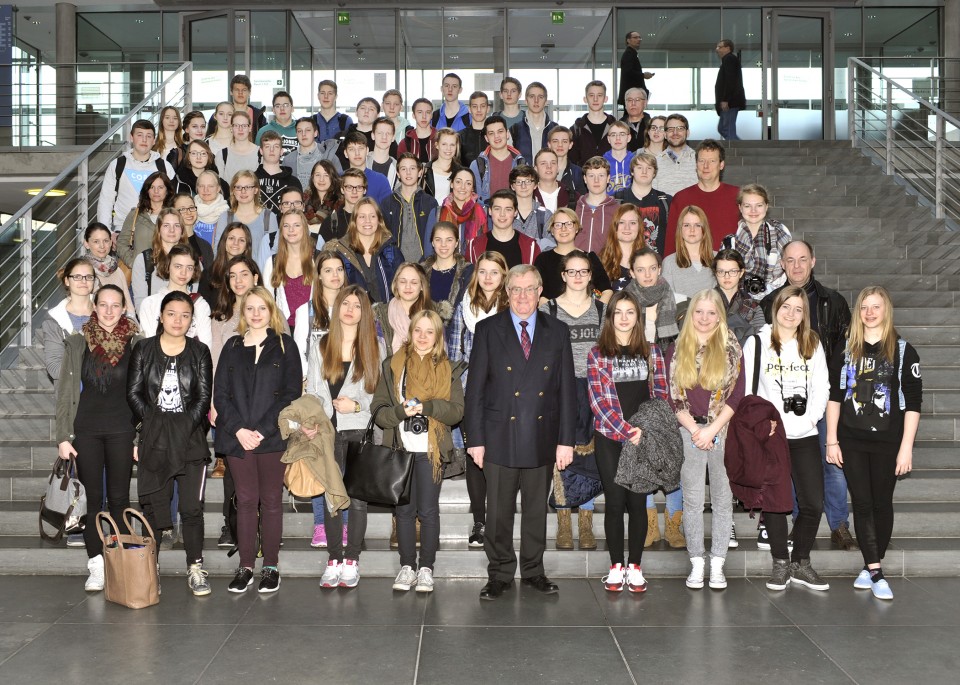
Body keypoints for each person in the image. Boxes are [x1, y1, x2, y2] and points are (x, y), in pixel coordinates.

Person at [465, 264, 577, 600]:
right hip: (499, 435)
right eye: (516, 289)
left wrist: (566, 440)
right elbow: (475, 392)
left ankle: (533, 571)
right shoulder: (488, 329)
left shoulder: (557, 331)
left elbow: (566, 390)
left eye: (529, 289)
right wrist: (476, 440)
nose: (523, 296)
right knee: (497, 512)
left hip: (541, 435)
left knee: (534, 511)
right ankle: (499, 573)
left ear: (540, 292)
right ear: (507, 292)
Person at [826, 286, 922, 600]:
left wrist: (906, 446)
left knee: (882, 504)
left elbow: (913, 403)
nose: (869, 312)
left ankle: (870, 567)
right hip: (851, 439)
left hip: (887, 441)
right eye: (864, 307)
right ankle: (877, 571)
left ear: (886, 310)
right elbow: (835, 398)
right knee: (863, 503)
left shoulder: (904, 350)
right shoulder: (845, 349)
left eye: (876, 306)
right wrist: (831, 440)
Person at [761, 240, 856, 549]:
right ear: (783, 264)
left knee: (832, 465)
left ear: (813, 261)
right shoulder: (771, 302)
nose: (797, 266)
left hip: (825, 400)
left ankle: (839, 525)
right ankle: (801, 525)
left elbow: (846, 354)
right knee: (793, 468)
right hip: (785, 402)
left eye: (803, 259)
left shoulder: (835, 302)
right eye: (791, 260)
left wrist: (834, 396)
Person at [743, 286, 830, 592]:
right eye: (786, 307)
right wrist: (762, 424)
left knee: (812, 503)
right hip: (772, 436)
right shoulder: (757, 343)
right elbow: (748, 392)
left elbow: (823, 387)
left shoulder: (812, 342)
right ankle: (780, 563)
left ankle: (800, 562)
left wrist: (808, 419)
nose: (791, 314)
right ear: (776, 307)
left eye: (798, 309)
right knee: (775, 504)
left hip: (805, 434)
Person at [214, 287, 301, 593]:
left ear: (271, 310)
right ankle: (246, 566)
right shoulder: (232, 346)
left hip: (271, 436)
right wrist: (239, 430)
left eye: (261, 308)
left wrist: (262, 430)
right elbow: (220, 395)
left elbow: (292, 394)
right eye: (249, 308)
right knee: (247, 501)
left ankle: (272, 566)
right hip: (237, 438)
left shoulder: (285, 345)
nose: (255, 313)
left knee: (272, 502)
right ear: (243, 312)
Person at [127, 290, 213, 596]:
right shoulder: (143, 349)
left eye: (185, 315)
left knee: (191, 509)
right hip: (154, 438)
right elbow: (134, 393)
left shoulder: (200, 352)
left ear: (192, 320)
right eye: (172, 314)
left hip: (190, 439)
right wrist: (153, 425)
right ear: (161, 316)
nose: (178, 320)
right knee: (151, 507)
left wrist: (181, 427)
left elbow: (203, 398)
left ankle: (195, 567)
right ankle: (150, 569)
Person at [55, 285, 140, 591]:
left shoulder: (137, 343)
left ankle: (121, 563)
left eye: (114, 305)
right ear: (94, 306)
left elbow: (145, 394)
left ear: (123, 309)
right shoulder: (79, 342)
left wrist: (139, 438)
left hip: (122, 430)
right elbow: (64, 392)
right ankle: (97, 566)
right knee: (94, 502)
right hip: (87, 430)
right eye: (102, 304)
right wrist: (63, 435)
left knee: (120, 500)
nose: (108, 311)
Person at [375, 310, 466, 593]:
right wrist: (401, 412)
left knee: (427, 511)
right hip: (400, 449)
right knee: (403, 512)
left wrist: (427, 408)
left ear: (438, 336)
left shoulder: (449, 369)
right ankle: (406, 566)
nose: (423, 337)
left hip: (431, 451)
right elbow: (378, 411)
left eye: (430, 331)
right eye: (418, 330)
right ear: (410, 332)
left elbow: (456, 413)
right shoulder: (393, 366)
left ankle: (426, 568)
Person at [588, 290, 669, 591]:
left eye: (630, 312)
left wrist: (644, 430)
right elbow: (598, 403)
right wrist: (627, 431)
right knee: (615, 501)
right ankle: (615, 566)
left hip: (643, 437)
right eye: (618, 312)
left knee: (638, 503)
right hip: (610, 437)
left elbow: (661, 396)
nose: (623, 318)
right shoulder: (597, 354)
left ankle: (635, 565)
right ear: (610, 317)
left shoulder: (653, 353)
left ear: (638, 317)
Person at [667, 289, 743, 591]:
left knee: (724, 500)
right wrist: (696, 431)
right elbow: (673, 397)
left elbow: (738, 394)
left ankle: (717, 564)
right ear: (691, 313)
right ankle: (697, 562)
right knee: (694, 501)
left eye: (711, 312)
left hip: (723, 430)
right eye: (699, 311)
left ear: (719, 316)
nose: (704, 318)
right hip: (689, 431)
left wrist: (712, 430)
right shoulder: (677, 347)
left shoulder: (732, 347)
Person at [310, 286, 386, 588]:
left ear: (364, 311)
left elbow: (382, 394)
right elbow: (314, 390)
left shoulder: (376, 345)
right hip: (327, 430)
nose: (350, 309)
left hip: (359, 428)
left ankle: (352, 560)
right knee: (332, 498)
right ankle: (334, 559)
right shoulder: (320, 344)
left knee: (356, 500)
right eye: (346, 303)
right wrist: (313, 418)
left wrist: (358, 404)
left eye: (357, 304)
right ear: (337, 307)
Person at [540, 250, 607, 550]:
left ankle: (587, 522)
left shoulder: (604, 310)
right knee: (563, 455)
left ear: (591, 275)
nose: (578, 277)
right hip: (562, 391)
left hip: (596, 391)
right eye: (572, 271)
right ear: (563, 275)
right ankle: (564, 521)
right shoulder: (548, 310)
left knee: (591, 458)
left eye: (584, 271)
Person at [620, 247, 683, 547]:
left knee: (670, 452)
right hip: (636, 384)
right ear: (631, 272)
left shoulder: (670, 296)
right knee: (643, 453)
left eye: (652, 268)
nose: (647, 274)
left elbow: (679, 344)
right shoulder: (624, 304)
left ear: (660, 269)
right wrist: (648, 323)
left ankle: (674, 523)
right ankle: (648, 524)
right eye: (640, 269)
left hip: (667, 378)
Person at [447, 252, 509, 548]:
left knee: (499, 458)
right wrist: (459, 395)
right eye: (482, 271)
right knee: (476, 455)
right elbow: (453, 356)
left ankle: (499, 520)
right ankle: (479, 521)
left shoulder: (511, 307)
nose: (487, 277)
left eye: (494, 272)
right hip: (471, 392)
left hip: (504, 395)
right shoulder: (463, 308)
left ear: (503, 276)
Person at [209, 254, 261, 538]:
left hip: (263, 404)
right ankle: (233, 525)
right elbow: (215, 362)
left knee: (262, 468)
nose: (239, 280)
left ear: (255, 277)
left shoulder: (269, 312)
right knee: (233, 468)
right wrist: (215, 402)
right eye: (233, 275)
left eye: (244, 274)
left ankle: (260, 526)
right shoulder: (220, 317)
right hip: (230, 402)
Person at [97, 119, 174, 234]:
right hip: (123, 230)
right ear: (131, 137)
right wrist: (106, 233)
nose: (144, 140)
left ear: (154, 140)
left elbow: (172, 199)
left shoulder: (164, 167)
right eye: (140, 135)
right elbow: (106, 200)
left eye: (149, 136)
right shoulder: (117, 165)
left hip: (157, 230)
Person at [666, 140, 740, 252]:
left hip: (727, 266)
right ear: (696, 164)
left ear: (721, 165)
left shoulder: (737, 196)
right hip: (690, 266)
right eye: (701, 161)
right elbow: (671, 241)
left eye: (712, 161)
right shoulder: (681, 198)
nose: (706, 166)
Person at [326, 197, 404, 303]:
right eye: (362, 216)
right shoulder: (342, 254)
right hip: (355, 316)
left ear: (379, 220)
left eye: (372, 216)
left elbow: (403, 289)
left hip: (388, 316)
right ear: (354, 221)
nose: (367, 221)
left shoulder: (391, 252)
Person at [723, 184, 791, 300]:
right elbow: (724, 277)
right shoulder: (729, 242)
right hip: (738, 302)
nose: (753, 211)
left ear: (766, 206)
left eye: (759, 205)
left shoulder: (781, 233)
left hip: (776, 299)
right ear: (740, 207)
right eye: (747, 206)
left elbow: (789, 268)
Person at [137, 244, 213, 347]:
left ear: (194, 270)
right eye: (178, 266)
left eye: (189, 268)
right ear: (168, 266)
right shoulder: (150, 303)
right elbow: (148, 346)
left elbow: (205, 347)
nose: (183, 272)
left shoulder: (200, 305)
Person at [534, 208, 612, 302]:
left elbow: (607, 291)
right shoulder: (543, 259)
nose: (563, 229)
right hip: (551, 315)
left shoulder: (589, 258)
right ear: (552, 230)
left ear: (576, 228)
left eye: (569, 224)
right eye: (558, 225)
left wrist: (595, 313)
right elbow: (540, 295)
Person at [261, 210, 316, 328]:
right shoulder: (272, 263)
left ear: (305, 229)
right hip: (282, 330)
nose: (291, 230)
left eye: (296, 225)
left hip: (312, 329)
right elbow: (267, 302)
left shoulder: (318, 260)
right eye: (286, 226)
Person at [43, 259, 96, 382]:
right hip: (72, 395)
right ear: (67, 281)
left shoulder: (107, 312)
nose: (83, 281)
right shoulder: (55, 319)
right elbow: (55, 369)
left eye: (88, 277)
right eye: (77, 277)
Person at [382, 152, 439, 262]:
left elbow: (435, 235)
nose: (408, 172)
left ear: (420, 172)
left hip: (425, 265)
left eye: (412, 168)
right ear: (398, 174)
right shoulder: (387, 203)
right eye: (403, 169)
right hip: (396, 265)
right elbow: (383, 237)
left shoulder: (430, 203)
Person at [130, 208, 189, 308]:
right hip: (152, 320)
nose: (172, 230)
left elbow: (194, 300)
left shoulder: (192, 261)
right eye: (166, 225)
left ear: (182, 230)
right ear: (159, 229)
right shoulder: (143, 260)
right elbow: (140, 303)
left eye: (177, 225)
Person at [214, 170, 275, 267]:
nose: (243, 191)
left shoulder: (268, 217)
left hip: (260, 276)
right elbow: (218, 251)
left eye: (248, 187)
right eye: (238, 187)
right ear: (233, 191)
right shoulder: (225, 217)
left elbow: (274, 252)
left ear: (256, 190)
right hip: (230, 275)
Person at [615, 152, 672, 256]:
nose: (644, 171)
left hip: (657, 264)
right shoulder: (617, 200)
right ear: (632, 171)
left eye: (649, 168)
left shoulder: (666, 201)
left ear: (654, 173)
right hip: (624, 262)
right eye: (639, 167)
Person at [465, 189, 540, 267]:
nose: (502, 214)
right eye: (497, 209)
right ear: (490, 211)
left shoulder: (530, 246)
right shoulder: (474, 246)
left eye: (508, 209)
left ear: (515, 212)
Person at [421, 222, 474, 329]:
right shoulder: (420, 271)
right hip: (426, 331)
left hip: (457, 335)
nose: (443, 244)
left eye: (449, 240)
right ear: (432, 242)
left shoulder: (468, 272)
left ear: (456, 243)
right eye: (438, 240)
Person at [374, 262, 434, 355]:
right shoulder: (381, 315)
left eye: (414, 282)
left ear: (422, 286)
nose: (408, 286)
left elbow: (440, 354)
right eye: (403, 281)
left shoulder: (434, 314)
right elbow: (376, 354)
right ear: (396, 284)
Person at [116, 170, 173, 267]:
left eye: (160, 187)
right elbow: (121, 242)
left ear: (167, 190)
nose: (156, 191)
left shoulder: (174, 216)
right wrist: (132, 263)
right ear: (147, 190)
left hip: (167, 271)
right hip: (140, 272)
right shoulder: (135, 215)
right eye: (152, 187)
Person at [661, 205, 718, 301]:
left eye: (697, 225)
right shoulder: (669, 262)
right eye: (687, 225)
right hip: (682, 314)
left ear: (704, 229)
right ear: (680, 229)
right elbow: (667, 301)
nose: (692, 230)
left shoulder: (718, 258)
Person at [82, 222, 136, 318]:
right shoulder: (82, 271)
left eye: (106, 241)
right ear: (86, 244)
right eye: (96, 241)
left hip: (120, 326)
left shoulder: (116, 269)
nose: (102, 246)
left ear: (111, 242)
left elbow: (129, 307)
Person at [470, 115, 526, 205]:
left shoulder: (521, 163)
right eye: (491, 133)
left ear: (507, 134)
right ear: (486, 138)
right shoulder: (477, 165)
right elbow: (476, 200)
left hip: (514, 215)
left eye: (500, 131)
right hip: (486, 216)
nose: (496, 136)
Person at [713, 249, 763, 344]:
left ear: (741, 272)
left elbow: (760, 341)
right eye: (721, 271)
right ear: (715, 273)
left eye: (732, 271)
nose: (726, 276)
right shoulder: (704, 303)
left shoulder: (753, 307)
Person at [575, 156, 620, 254]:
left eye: (601, 175)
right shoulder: (573, 208)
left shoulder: (618, 211)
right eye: (591, 176)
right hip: (577, 266)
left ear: (608, 178)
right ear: (585, 179)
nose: (596, 180)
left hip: (606, 266)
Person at [599, 203, 648, 292]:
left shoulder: (650, 260)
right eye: (621, 222)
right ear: (615, 227)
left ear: (639, 227)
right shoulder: (601, 261)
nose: (627, 227)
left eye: (632, 223)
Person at [438, 167, 489, 249]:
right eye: (458, 182)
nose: (463, 187)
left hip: (475, 261)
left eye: (468, 183)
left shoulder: (483, 212)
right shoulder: (437, 212)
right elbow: (430, 248)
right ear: (451, 184)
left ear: (472, 188)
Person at [255, 131, 302, 215]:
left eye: (276, 147)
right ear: (261, 151)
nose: (271, 150)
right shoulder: (251, 180)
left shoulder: (293, 182)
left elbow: (298, 214)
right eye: (267, 146)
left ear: (281, 151)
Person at [509, 81, 557, 163]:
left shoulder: (555, 129)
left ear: (546, 101)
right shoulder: (514, 130)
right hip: (523, 175)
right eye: (532, 97)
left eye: (540, 97)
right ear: (526, 101)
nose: (536, 101)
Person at [570, 81, 615, 166]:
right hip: (584, 178)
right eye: (591, 95)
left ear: (605, 99)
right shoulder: (575, 130)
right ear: (585, 99)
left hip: (611, 177)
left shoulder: (615, 128)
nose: (595, 99)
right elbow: (572, 160)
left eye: (599, 95)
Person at [510, 165, 553, 251]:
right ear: (512, 186)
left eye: (528, 181)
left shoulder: (545, 215)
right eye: (518, 182)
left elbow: (550, 246)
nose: (523, 186)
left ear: (535, 185)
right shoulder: (506, 213)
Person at [341, 131, 392, 204]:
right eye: (352, 149)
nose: (357, 153)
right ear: (346, 153)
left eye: (361, 148)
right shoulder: (339, 179)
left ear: (367, 151)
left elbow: (388, 212)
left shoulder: (380, 180)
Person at [652, 114, 697, 197]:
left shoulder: (699, 160)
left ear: (687, 133)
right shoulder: (655, 162)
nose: (675, 133)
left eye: (680, 129)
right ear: (665, 134)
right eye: (670, 129)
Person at [319, 168, 365, 244]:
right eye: (349, 187)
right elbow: (320, 253)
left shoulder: (373, 220)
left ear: (365, 190)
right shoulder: (330, 223)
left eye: (359, 187)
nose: (354, 191)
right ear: (342, 190)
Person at [216, 111, 262, 186]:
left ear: (249, 128)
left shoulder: (261, 153)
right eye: (236, 125)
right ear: (231, 128)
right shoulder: (222, 155)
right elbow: (219, 185)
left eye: (244, 126)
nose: (240, 129)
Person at [715, 39, 746, 141]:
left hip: (730, 102)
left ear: (728, 48)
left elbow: (730, 81)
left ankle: (739, 151)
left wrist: (725, 99)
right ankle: (741, 148)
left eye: (720, 47)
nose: (717, 49)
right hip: (729, 101)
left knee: (727, 129)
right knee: (723, 128)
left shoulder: (729, 59)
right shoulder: (728, 60)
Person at [255, 90, 298, 158]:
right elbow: (257, 159)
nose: (282, 108)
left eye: (286, 105)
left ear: (292, 108)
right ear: (273, 110)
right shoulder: (262, 132)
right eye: (277, 106)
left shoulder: (301, 130)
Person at [548, 126, 587, 200]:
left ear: (570, 145)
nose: (560, 145)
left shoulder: (578, 173)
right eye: (555, 141)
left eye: (564, 141)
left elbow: (582, 201)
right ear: (549, 144)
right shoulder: (541, 171)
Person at [284, 117, 323, 189]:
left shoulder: (327, 155)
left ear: (315, 133)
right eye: (299, 131)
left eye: (308, 130)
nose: (303, 134)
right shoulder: (288, 160)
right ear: (296, 134)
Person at [194, 169, 230, 246]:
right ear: (197, 188)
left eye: (210, 186)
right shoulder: (190, 210)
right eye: (201, 186)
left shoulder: (227, 213)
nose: (206, 190)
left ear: (218, 189)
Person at [303, 160, 342, 232]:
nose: (321, 179)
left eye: (326, 175)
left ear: (332, 178)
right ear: (312, 177)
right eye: (318, 175)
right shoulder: (302, 200)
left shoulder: (341, 203)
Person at [424, 128, 461, 201]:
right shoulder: (425, 170)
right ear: (437, 145)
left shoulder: (461, 172)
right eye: (444, 144)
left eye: (452, 145)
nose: (448, 148)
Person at [618, 31, 654, 106]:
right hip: (632, 94)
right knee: (631, 115)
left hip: (632, 94)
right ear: (628, 40)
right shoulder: (629, 54)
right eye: (635, 37)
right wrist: (643, 75)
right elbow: (628, 72)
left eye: (639, 37)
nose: (638, 39)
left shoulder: (631, 53)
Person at [227, 74, 267, 138]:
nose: (240, 93)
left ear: (249, 92)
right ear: (231, 92)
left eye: (244, 90)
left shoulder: (259, 116)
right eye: (237, 90)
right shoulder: (222, 114)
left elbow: (265, 139)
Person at [533, 149, 573, 214]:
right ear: (535, 169)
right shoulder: (529, 196)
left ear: (557, 168)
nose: (549, 166)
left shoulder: (573, 196)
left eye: (553, 163)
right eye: (543, 163)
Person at [398, 98, 437, 164]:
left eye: (428, 112)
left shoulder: (440, 139)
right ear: (413, 115)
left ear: (431, 115)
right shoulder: (405, 143)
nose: (424, 116)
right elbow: (402, 169)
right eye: (420, 112)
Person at [458, 91, 491, 169]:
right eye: (475, 106)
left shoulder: (494, 136)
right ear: (469, 109)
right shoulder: (460, 137)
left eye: (482, 106)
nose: (479, 110)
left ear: (488, 109)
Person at [603, 121, 634, 195]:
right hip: (609, 204)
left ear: (629, 138)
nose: (617, 138)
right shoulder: (602, 162)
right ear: (608, 139)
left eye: (622, 134)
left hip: (631, 205)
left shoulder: (636, 161)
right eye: (613, 135)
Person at [368, 117, 398, 187]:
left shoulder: (398, 168)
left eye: (388, 133)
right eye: (380, 133)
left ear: (393, 137)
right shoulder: (362, 162)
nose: (384, 137)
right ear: (373, 135)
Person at [620, 88, 651, 152]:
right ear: (625, 104)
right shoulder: (618, 127)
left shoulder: (652, 126)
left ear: (645, 103)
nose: (633, 103)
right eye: (629, 100)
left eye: (637, 100)